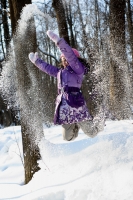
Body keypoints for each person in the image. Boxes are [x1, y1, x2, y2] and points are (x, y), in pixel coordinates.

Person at [29, 30, 104, 141]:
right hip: (65, 108)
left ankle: (100, 123)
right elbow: (48, 69)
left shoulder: (78, 69)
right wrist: (37, 61)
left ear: (75, 59)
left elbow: (70, 56)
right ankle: (75, 126)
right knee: (67, 138)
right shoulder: (61, 72)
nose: (65, 62)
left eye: (67, 59)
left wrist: (59, 42)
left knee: (91, 133)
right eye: (63, 60)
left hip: (76, 105)